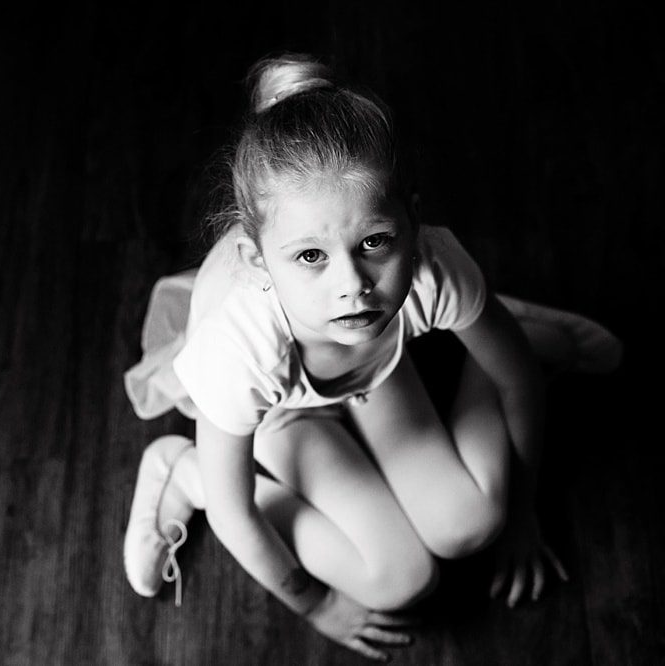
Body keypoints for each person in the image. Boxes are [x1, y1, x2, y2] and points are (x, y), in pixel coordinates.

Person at [121, 52, 622, 661]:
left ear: (412, 222)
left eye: (375, 243)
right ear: (258, 261)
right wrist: (317, 604)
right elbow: (236, 516)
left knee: (472, 525)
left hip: (377, 370)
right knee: (401, 581)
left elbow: (519, 384)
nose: (352, 285)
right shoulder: (239, 346)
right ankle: (184, 471)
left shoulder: (428, 268)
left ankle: (502, 329)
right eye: (310, 257)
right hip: (284, 412)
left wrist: (523, 514)